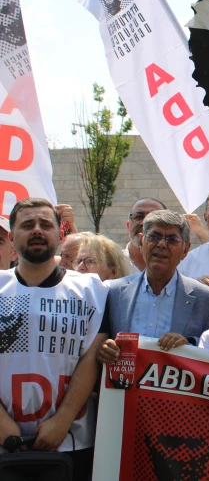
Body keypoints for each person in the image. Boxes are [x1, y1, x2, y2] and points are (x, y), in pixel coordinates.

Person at [0, 198, 109, 480]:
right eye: (27, 224)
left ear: (61, 235)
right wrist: (2, 424)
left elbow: (91, 358)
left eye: (45, 224)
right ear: (11, 238)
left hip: (71, 441)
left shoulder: (92, 290)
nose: (37, 230)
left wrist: (62, 421)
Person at [96, 211, 209, 365]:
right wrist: (103, 349)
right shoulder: (113, 292)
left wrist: (189, 346)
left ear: (185, 250)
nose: (162, 244)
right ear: (141, 242)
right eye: (154, 237)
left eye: (172, 240)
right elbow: (98, 343)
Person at [123, 197, 167, 274]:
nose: (144, 223)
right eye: (138, 216)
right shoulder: (108, 265)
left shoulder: (181, 267)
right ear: (128, 226)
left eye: (153, 218)